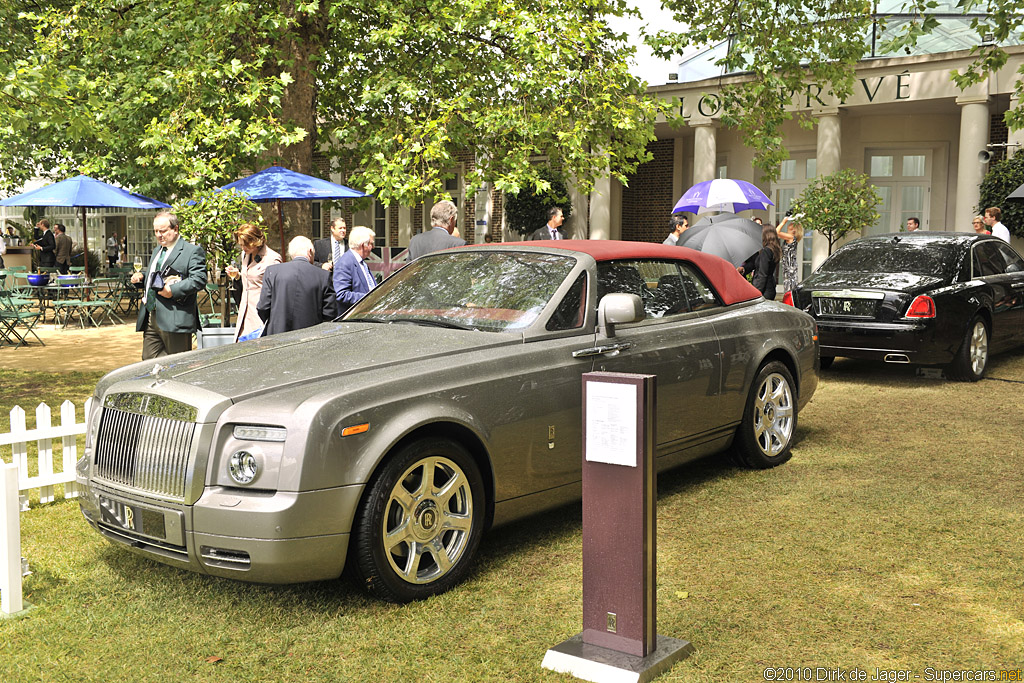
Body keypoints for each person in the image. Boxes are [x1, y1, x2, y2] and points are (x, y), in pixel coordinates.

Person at [130, 211, 207, 359]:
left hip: (175, 317)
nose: (159, 235)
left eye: (163, 231)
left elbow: (199, 279)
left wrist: (172, 290)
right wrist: (142, 278)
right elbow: (158, 277)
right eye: (156, 231)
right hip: (151, 316)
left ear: (175, 229)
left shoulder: (192, 251)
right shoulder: (157, 251)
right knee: (148, 363)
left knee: (177, 364)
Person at [258, 236, 338, 335]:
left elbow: (263, 307)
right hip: (310, 338)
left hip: (277, 335)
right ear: (310, 252)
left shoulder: (272, 272)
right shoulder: (323, 276)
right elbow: (330, 313)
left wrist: (275, 323)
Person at [225, 223, 281, 342]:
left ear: (256, 241)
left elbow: (277, 292)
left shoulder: (272, 259)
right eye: (241, 245)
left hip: (260, 317)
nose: (243, 248)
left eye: (246, 245)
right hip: (244, 315)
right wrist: (237, 276)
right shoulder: (246, 254)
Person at [333, 226, 377, 312]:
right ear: (363, 245)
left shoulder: (362, 263)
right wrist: (370, 297)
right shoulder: (345, 263)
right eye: (371, 244)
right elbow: (342, 294)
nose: (373, 247)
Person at [738, 223, 782, 300]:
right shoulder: (772, 249)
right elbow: (754, 264)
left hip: (764, 290)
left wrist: (755, 293)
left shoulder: (766, 251)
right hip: (770, 287)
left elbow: (762, 274)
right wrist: (744, 269)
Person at [776, 214, 805, 293]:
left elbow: (776, 232)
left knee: (789, 289)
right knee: (789, 287)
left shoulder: (791, 237)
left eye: (793, 223)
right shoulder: (790, 237)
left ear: (794, 229)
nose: (790, 223)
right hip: (788, 267)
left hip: (790, 268)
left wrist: (783, 222)